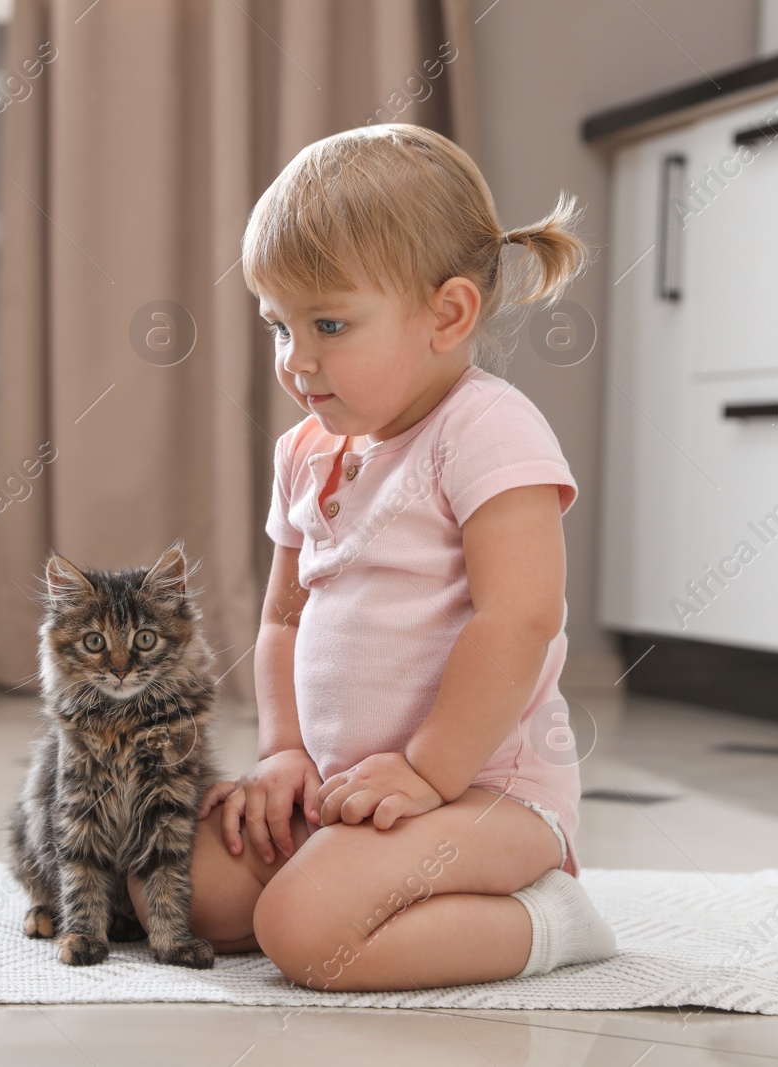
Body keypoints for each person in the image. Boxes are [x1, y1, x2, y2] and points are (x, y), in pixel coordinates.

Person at [127, 122, 617, 991]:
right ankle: (352, 872)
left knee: (303, 932)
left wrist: (430, 770)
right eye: (278, 325)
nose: (297, 359)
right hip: (345, 791)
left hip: (484, 794)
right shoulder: (306, 451)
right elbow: (283, 616)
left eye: (329, 323)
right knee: (175, 885)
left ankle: (551, 918)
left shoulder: (486, 430)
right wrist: (285, 753)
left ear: (448, 314)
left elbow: (521, 617)